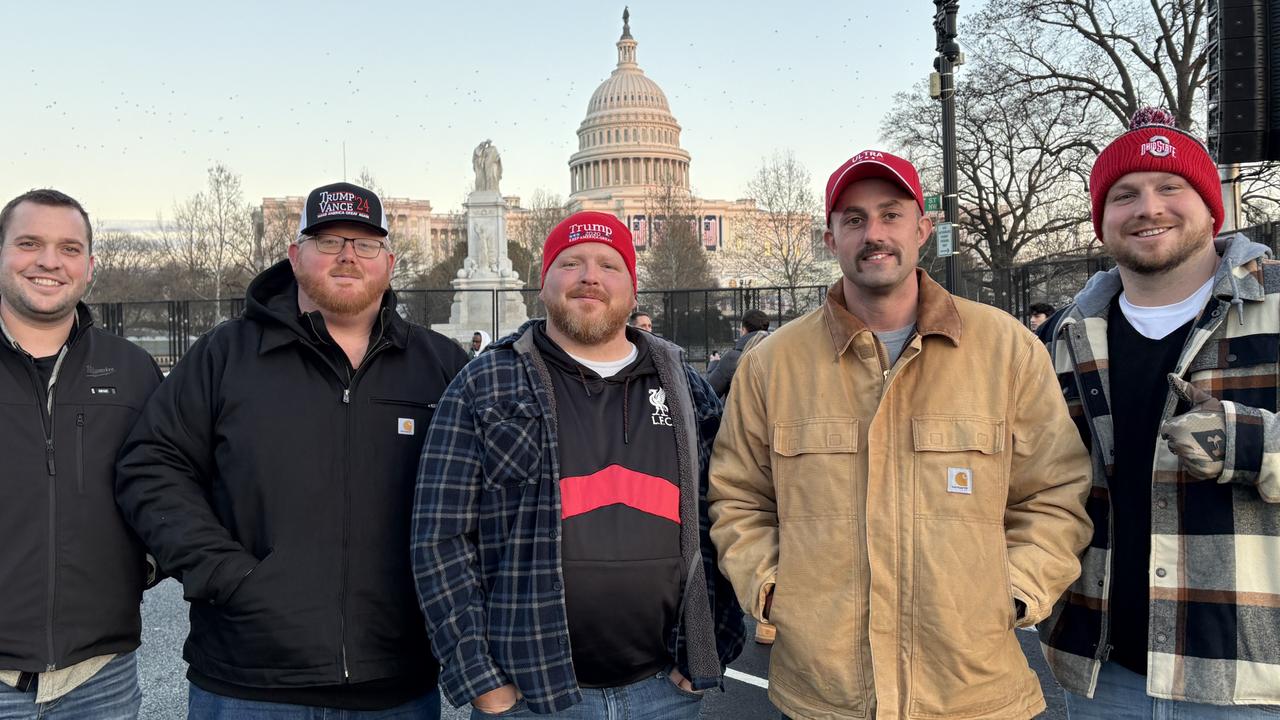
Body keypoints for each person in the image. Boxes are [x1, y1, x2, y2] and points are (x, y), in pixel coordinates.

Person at [708, 149, 1093, 719]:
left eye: (891, 214)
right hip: (825, 695)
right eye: (854, 219)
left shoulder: (1005, 349)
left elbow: (1055, 494)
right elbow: (738, 497)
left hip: (973, 691)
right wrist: (773, 591)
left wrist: (1010, 594)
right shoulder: (773, 364)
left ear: (923, 230)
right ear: (829, 238)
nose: (874, 234)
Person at [114, 181, 468, 719]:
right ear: (294, 255)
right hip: (248, 682)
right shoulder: (226, 355)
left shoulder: (441, 367)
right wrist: (226, 574)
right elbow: (153, 465)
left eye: (365, 243)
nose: (348, 255)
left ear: (389, 261)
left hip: (397, 686)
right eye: (328, 240)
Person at [412, 211, 744, 718]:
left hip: (665, 692)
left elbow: (725, 514)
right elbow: (439, 536)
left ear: (632, 291)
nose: (590, 275)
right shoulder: (485, 384)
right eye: (571, 262)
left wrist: (710, 645)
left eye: (609, 265)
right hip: (529, 697)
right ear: (542, 285)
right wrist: (480, 677)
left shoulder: (685, 387)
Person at [1036, 108, 1280, 717]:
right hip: (1101, 670)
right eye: (1125, 194)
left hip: (1247, 676)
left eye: (1171, 186)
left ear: (1210, 206)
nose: (1149, 208)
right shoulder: (1068, 335)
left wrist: (1244, 443)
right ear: (1102, 221)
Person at [0, 189, 162, 719]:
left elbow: (174, 483)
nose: (50, 261)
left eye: (69, 248)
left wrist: (148, 563)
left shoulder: (134, 372)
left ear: (90, 266)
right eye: (29, 243)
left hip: (101, 677)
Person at [705, 308, 771, 400]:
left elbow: (709, 394)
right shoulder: (777, 355)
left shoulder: (732, 358)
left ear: (743, 330)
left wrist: (714, 364)